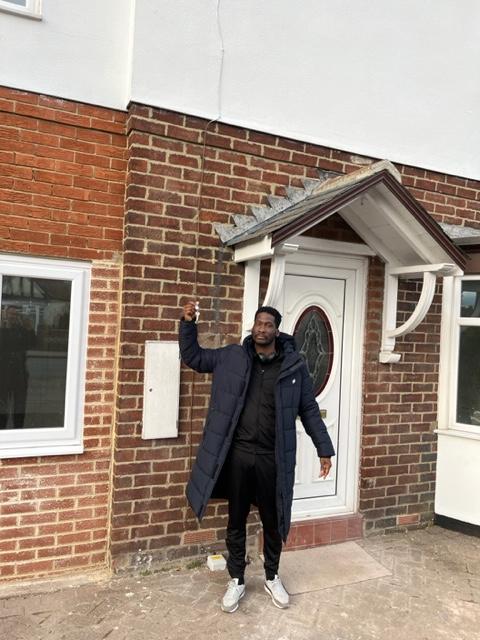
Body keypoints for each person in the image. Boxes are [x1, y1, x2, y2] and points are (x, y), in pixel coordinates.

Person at [179, 301, 335, 613]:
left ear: (277, 329)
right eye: (257, 323)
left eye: (267, 324)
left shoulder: (294, 367)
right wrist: (188, 323)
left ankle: (272, 575)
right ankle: (236, 578)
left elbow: (309, 410)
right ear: (253, 326)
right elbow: (194, 357)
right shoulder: (233, 357)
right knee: (235, 518)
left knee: (273, 519)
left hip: (271, 457)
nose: (261, 329)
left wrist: (324, 449)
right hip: (238, 455)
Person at [0, 305, 35, 429]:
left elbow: (32, 344)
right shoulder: (2, 329)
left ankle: (18, 430)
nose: (13, 317)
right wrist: (5, 327)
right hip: (3, 373)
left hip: (19, 373)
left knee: (20, 405)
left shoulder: (22, 330)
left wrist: (30, 329)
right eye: (10, 314)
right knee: (2, 404)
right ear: (6, 315)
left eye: (15, 315)